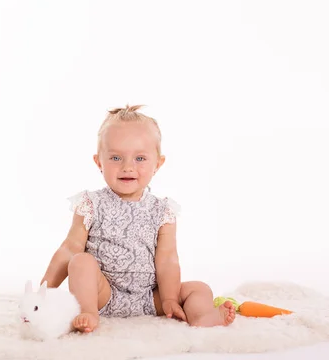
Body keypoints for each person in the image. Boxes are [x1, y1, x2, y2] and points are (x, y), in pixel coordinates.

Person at [40, 105, 235, 333]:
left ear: (158, 164)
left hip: (150, 297)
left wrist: (170, 298)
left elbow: (167, 259)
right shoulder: (89, 204)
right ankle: (88, 313)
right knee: (80, 261)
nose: (127, 167)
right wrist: (44, 290)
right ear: (98, 162)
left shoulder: (162, 210)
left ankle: (203, 315)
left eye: (140, 158)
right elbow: (69, 249)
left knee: (199, 289)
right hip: (103, 294)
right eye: (115, 157)